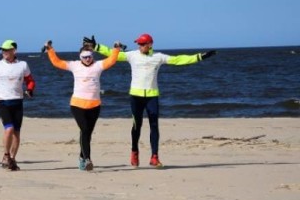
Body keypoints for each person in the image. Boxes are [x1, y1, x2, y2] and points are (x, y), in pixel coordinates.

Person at [86, 33, 217, 167]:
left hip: (152, 97)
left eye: (143, 44)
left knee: (154, 126)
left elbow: (178, 60)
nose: (140, 46)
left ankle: (154, 157)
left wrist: (200, 56)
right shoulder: (132, 55)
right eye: (139, 44)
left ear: (150, 44)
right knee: (137, 126)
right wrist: (96, 46)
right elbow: (112, 53)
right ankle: (134, 151)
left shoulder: (158, 57)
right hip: (136, 96)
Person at [43, 39, 121, 171]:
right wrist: (50, 49)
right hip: (77, 105)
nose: (88, 59)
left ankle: (81, 157)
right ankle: (87, 159)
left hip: (95, 105)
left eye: (90, 56)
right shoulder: (74, 65)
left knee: (87, 133)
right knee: (85, 130)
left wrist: (116, 48)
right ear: (80, 58)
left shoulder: (98, 65)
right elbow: (57, 62)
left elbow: (111, 61)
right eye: (85, 57)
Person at [0, 39, 36, 171]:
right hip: (2, 101)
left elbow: (30, 81)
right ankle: (6, 155)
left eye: (7, 50)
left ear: (14, 50)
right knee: (9, 129)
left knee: (17, 134)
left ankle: (12, 159)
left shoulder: (23, 65)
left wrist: (30, 89)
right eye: (2, 50)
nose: (4, 52)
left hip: (17, 101)